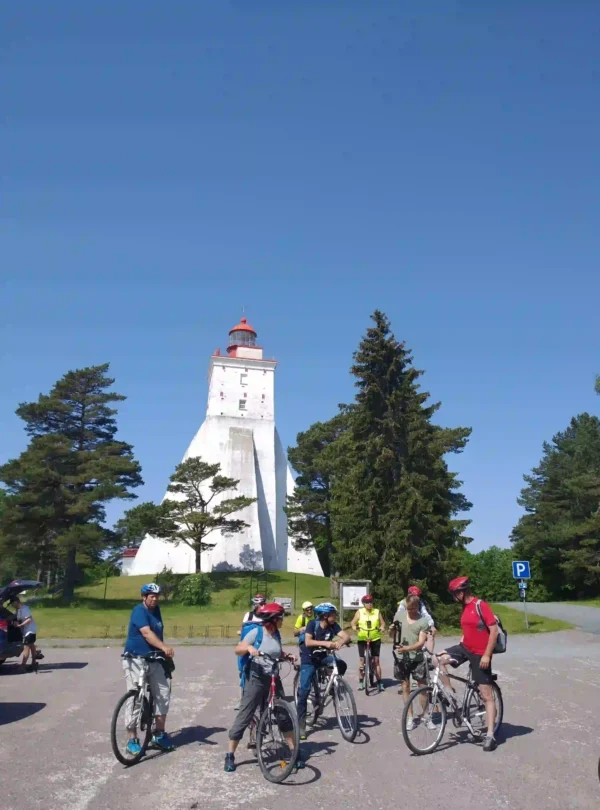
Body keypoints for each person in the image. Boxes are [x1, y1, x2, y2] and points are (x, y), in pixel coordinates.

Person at [225, 602, 302, 773]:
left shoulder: (277, 634)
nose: (282, 620)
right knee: (245, 715)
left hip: (274, 677)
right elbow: (238, 649)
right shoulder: (257, 632)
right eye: (280, 618)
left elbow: (275, 652)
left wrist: (286, 655)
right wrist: (249, 647)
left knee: (283, 716)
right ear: (272, 619)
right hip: (257, 678)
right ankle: (230, 755)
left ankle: (293, 751)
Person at [437, 576, 500, 752]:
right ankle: (451, 694)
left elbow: (493, 631)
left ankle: (490, 735)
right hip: (465, 648)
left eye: (454, 593)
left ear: (462, 591)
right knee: (437, 659)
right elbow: (468, 631)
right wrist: (453, 649)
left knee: (486, 694)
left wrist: (487, 655)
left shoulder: (481, 605)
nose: (453, 597)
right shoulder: (464, 608)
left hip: (481, 654)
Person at [122, 583, 176, 756]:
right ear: (144, 597)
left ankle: (159, 734)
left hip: (154, 659)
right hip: (136, 659)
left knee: (163, 693)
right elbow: (146, 633)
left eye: (156, 596)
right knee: (135, 697)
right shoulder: (139, 610)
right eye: (151, 596)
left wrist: (162, 654)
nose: (154, 599)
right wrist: (164, 647)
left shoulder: (156, 610)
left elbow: (157, 632)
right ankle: (132, 739)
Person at [297, 602, 351, 738]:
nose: (335, 617)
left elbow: (347, 637)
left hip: (323, 657)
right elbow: (308, 642)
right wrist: (326, 643)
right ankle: (301, 725)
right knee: (304, 691)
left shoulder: (333, 626)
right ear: (325, 616)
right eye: (333, 615)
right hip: (309, 659)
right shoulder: (312, 624)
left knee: (341, 665)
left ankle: (333, 686)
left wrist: (340, 642)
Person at [393, 594, 436, 730]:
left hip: (417, 658)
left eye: (413, 609)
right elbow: (392, 636)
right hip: (402, 659)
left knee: (422, 688)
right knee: (405, 687)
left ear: (418, 607)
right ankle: (410, 717)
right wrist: (391, 631)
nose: (411, 611)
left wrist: (407, 648)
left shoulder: (423, 621)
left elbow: (421, 642)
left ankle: (425, 716)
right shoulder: (399, 616)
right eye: (408, 608)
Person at [351, 594, 385, 692]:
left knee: (376, 661)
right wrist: (354, 627)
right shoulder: (359, 612)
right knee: (362, 660)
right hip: (362, 638)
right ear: (364, 604)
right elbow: (353, 623)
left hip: (375, 638)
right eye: (367, 602)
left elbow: (382, 623)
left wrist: (382, 627)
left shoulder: (377, 612)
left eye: (371, 602)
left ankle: (379, 682)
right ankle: (361, 681)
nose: (369, 604)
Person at [9, 596, 42, 672]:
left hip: (30, 630)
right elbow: (19, 619)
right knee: (31, 646)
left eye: (12, 603)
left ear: (17, 601)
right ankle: (34, 662)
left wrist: (20, 625)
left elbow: (29, 619)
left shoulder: (25, 609)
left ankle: (23, 666)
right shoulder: (18, 610)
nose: (12, 605)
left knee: (26, 647)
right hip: (26, 631)